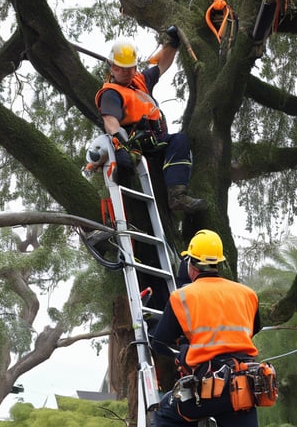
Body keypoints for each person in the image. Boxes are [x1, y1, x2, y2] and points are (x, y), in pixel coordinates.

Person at [151, 229, 262, 426]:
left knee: (165, 414)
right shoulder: (247, 294)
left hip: (207, 387)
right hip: (243, 387)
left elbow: (160, 343)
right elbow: (252, 330)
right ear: (218, 263)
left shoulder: (183, 296)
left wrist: (183, 349)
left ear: (190, 265)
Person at [95, 27, 206, 213]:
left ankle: (177, 196)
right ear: (112, 68)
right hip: (138, 143)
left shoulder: (139, 81)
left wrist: (173, 43)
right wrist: (119, 140)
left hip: (157, 138)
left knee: (180, 140)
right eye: (121, 69)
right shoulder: (111, 93)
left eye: (131, 68)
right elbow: (110, 120)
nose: (127, 73)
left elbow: (162, 64)